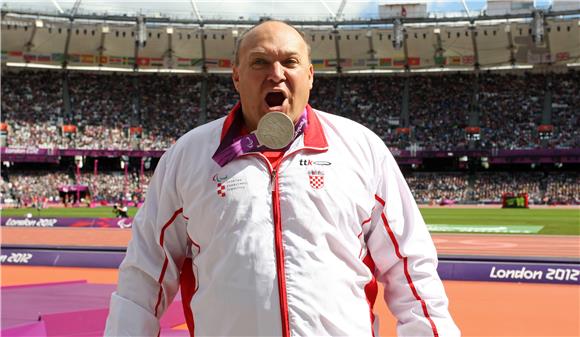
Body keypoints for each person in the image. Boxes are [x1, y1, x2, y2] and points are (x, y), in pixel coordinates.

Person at [105, 20, 460, 337]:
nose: (276, 73)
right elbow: (144, 276)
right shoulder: (189, 155)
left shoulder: (360, 147)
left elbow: (410, 267)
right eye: (259, 61)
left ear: (309, 75)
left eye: (289, 61)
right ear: (236, 76)